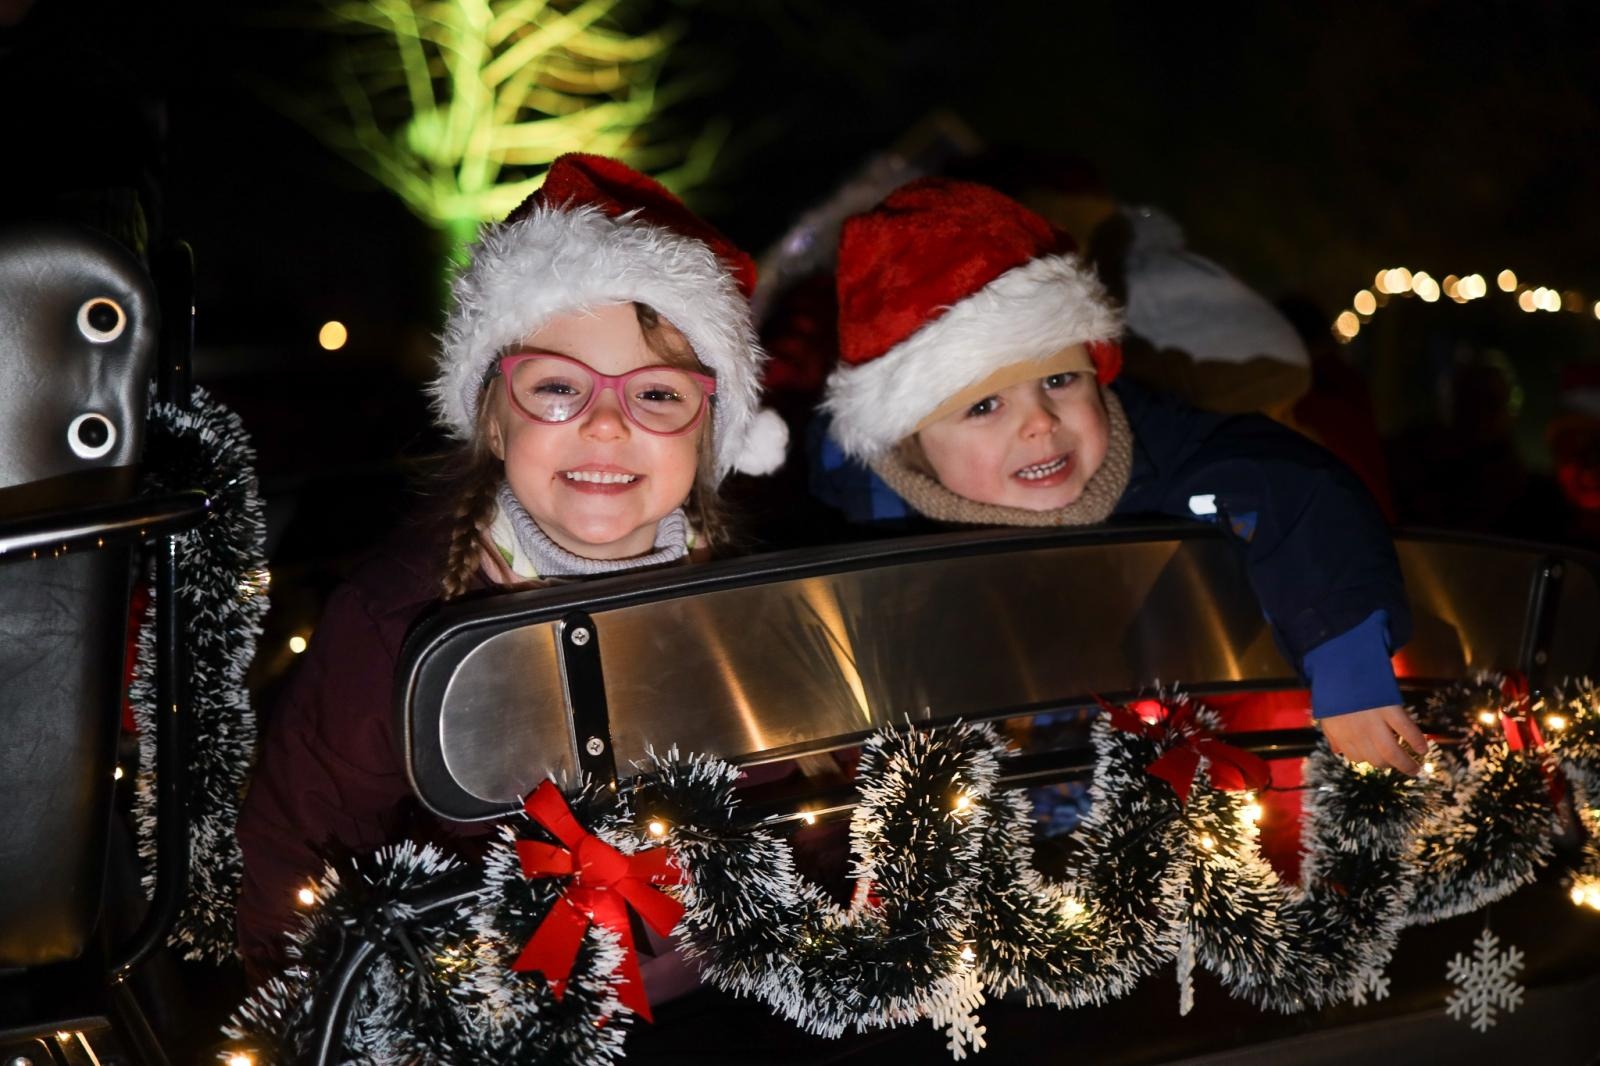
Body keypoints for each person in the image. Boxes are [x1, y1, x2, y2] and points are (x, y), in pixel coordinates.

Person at [236, 154, 786, 979]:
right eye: (559, 388)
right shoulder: (397, 621)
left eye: (659, 394)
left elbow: (813, 800)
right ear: (493, 421)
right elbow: (290, 850)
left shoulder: (758, 607)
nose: (606, 424)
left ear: (711, 434)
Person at [814, 177, 1426, 776]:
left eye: (1059, 380)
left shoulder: (1167, 455)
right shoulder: (857, 527)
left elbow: (1297, 493)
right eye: (984, 406)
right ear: (910, 441)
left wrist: (1346, 661)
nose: (1040, 423)